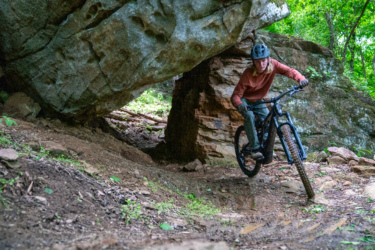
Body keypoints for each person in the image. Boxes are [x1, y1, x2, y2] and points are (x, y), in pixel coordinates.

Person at [231, 44, 309, 160]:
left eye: (263, 60)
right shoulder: (248, 73)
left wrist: (301, 79)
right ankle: (255, 149)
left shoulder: (273, 65)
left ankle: (266, 149)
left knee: (268, 119)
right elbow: (236, 95)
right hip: (245, 100)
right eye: (257, 62)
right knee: (249, 115)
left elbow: (289, 71)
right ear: (253, 62)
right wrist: (240, 104)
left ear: (268, 59)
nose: (261, 64)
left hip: (258, 101)